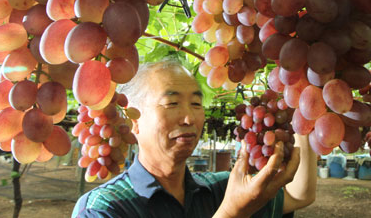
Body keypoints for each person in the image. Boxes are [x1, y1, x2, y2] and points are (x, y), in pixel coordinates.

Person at [72, 60, 317, 218]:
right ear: (133, 121)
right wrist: (232, 213)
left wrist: (303, 105)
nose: (189, 118)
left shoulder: (218, 187)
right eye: (172, 103)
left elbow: (299, 195)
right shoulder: (102, 209)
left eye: (197, 104)